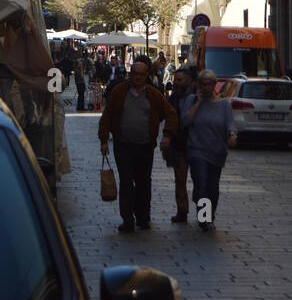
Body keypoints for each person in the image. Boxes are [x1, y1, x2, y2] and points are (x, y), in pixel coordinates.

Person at [98, 55, 177, 233]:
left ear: (146, 75)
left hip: (145, 146)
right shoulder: (119, 92)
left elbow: (170, 113)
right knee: (126, 182)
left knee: (143, 183)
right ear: (130, 75)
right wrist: (104, 140)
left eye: (141, 74)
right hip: (123, 145)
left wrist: (166, 135)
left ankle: (143, 216)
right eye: (134, 74)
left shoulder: (153, 94)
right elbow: (107, 116)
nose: (137, 77)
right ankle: (127, 219)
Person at [179, 68, 236, 232]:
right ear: (198, 85)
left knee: (212, 187)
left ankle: (209, 214)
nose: (206, 87)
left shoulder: (224, 104)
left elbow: (230, 123)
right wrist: (198, 102)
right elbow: (185, 121)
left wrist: (232, 134)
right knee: (202, 183)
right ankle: (204, 219)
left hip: (217, 152)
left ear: (214, 84)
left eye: (209, 84)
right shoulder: (191, 100)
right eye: (202, 84)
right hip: (197, 150)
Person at [165, 66, 196, 223]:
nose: (176, 83)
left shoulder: (197, 97)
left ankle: (205, 216)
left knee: (202, 184)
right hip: (180, 145)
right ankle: (182, 212)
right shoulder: (173, 98)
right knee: (180, 180)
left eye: (179, 80)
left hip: (198, 145)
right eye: (175, 79)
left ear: (189, 81)